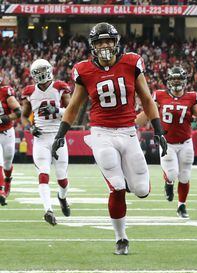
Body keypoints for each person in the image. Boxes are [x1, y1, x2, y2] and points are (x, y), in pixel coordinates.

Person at [50, 22, 167, 255]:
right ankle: (121, 238)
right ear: (93, 46)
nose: (104, 46)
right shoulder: (84, 70)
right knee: (117, 186)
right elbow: (74, 106)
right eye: (100, 42)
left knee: (142, 190)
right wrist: (60, 135)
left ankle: (126, 176)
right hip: (101, 132)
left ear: (116, 43)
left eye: (108, 41)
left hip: (128, 131)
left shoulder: (132, 62)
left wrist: (159, 129)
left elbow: (146, 98)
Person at [136, 66, 197, 218]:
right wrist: (134, 124)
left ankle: (181, 206)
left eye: (179, 79)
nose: (176, 82)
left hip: (185, 142)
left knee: (185, 176)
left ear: (184, 81)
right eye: (173, 79)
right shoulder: (160, 96)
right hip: (167, 142)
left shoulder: (191, 97)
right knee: (172, 174)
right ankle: (168, 184)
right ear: (168, 81)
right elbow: (148, 112)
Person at [21, 59, 72, 225]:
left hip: (58, 137)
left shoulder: (59, 87)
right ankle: (48, 210)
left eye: (44, 69)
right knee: (43, 174)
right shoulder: (29, 91)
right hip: (41, 139)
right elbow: (23, 116)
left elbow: (72, 111)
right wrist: (30, 128)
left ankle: (62, 197)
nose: (42, 73)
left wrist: (56, 110)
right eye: (38, 71)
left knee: (62, 178)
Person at [0, 79, 21, 206]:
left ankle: (7, 181)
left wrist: (4, 119)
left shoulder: (4, 92)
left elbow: (18, 112)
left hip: (7, 132)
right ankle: (1, 191)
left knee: (7, 163)